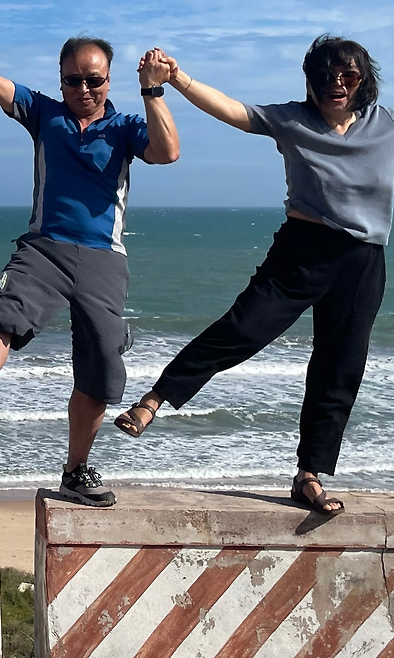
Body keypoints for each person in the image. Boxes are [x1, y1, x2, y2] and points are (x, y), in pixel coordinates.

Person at [115, 37, 392, 516]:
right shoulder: (292, 120)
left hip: (363, 260)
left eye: (348, 75)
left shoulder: (383, 123)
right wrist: (174, 79)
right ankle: (156, 398)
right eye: (325, 76)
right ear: (310, 81)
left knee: (340, 368)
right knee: (242, 329)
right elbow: (231, 110)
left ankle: (309, 475)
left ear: (363, 79)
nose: (337, 84)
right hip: (303, 252)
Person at [0, 0, 180, 507]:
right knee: (3, 316)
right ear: (60, 79)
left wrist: (153, 91)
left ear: (109, 80)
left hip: (104, 259)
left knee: (99, 367)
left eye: (94, 80)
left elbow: (168, 151)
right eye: (73, 80)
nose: (83, 89)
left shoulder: (126, 126)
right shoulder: (45, 113)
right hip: (44, 248)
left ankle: (76, 470)